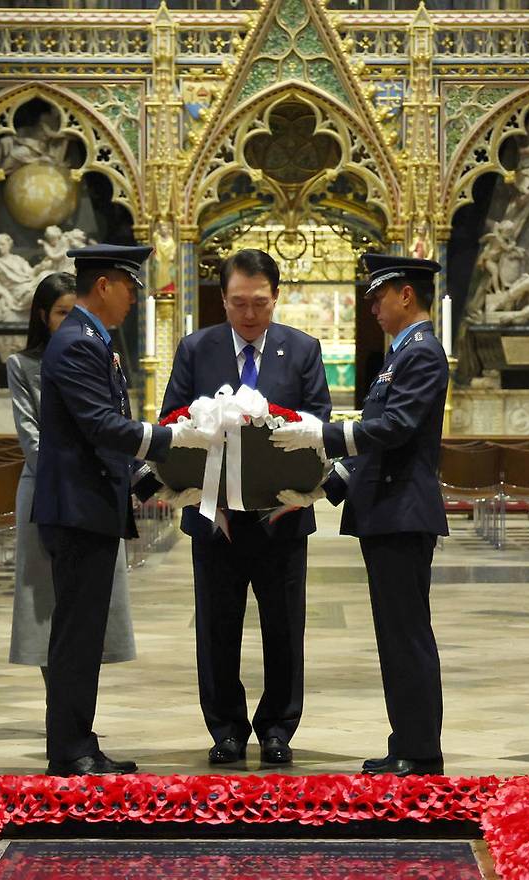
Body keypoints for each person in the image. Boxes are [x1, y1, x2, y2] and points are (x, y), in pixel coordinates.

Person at [160, 248, 344, 768]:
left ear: (276, 298)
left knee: (284, 627)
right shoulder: (197, 349)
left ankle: (279, 727)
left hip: (280, 517)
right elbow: (170, 420)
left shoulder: (302, 349)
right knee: (217, 627)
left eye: (259, 303)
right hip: (214, 517)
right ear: (222, 299)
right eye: (238, 303)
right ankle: (226, 729)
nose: (248, 314)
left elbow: (320, 424)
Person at [32, 243, 210, 777]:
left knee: (86, 632)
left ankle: (78, 741)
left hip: (90, 505)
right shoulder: (76, 344)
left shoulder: (94, 341)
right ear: (105, 284)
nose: (135, 298)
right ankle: (69, 748)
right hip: (77, 508)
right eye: (130, 286)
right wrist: (174, 439)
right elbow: (102, 426)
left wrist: (148, 476)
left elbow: (108, 430)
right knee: (76, 634)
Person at [272, 254, 448, 778]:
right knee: (395, 635)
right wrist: (318, 488)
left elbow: (393, 428)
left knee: (406, 634)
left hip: (402, 512)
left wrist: (319, 434)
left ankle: (419, 750)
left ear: (406, 295)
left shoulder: (422, 354)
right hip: (387, 510)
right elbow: (374, 444)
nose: (371, 306)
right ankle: (407, 742)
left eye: (378, 296)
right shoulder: (401, 355)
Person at [7, 272, 136, 705]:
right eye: (60, 313)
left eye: (71, 312)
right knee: (50, 608)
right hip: (52, 493)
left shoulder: (99, 350)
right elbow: (34, 441)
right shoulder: (23, 365)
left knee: (88, 608)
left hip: (90, 493)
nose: (68, 321)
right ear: (43, 316)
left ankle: (75, 718)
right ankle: (64, 718)